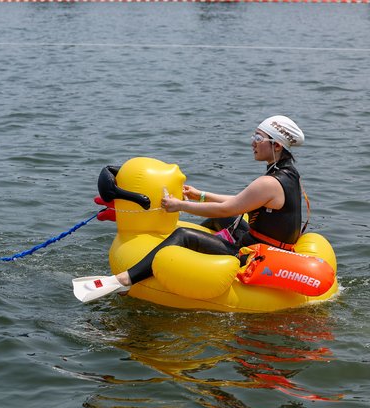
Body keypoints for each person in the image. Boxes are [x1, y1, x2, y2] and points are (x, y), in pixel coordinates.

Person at [97, 115, 306, 290]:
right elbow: (239, 202)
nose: (252, 142)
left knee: (183, 235)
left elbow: (227, 208)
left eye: (258, 137)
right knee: (225, 220)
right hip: (266, 245)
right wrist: (201, 195)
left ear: (276, 145)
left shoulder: (269, 182)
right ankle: (200, 250)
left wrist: (179, 205)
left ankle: (125, 280)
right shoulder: (287, 174)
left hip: (257, 255)